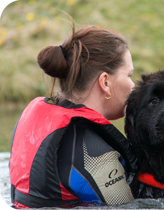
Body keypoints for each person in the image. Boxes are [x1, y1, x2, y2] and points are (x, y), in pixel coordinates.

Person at [9, 15, 138, 208]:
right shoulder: (97, 156)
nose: (133, 84)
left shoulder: (29, 120)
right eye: (129, 75)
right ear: (105, 82)